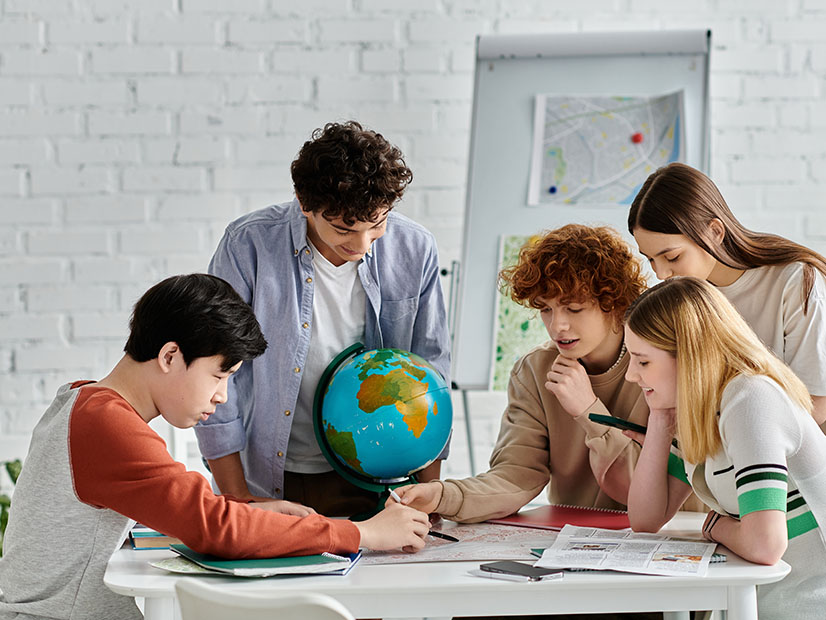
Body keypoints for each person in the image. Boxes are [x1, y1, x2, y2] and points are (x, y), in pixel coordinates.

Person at [0, 274, 430, 620]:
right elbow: (214, 527)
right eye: (219, 375)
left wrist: (250, 512)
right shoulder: (105, 424)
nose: (222, 396)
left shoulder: (82, 400)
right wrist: (364, 533)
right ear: (170, 356)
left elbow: (189, 511)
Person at [195, 120, 451, 517]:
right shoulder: (249, 245)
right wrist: (236, 497)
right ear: (304, 202)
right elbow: (216, 366)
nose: (362, 244)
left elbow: (430, 368)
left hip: (379, 473)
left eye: (377, 225)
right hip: (268, 474)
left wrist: (428, 492)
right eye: (344, 228)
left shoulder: (415, 248)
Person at [393, 225, 703, 523]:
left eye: (573, 309)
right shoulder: (534, 371)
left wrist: (588, 412)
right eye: (545, 309)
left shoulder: (668, 365)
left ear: (615, 303)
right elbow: (515, 477)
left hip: (673, 540)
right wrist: (443, 495)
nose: (557, 326)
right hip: (580, 546)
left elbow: (647, 495)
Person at [624, 277, 826, 620]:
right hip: (757, 598)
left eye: (643, 361)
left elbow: (765, 545)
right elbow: (645, 518)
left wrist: (713, 525)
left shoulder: (750, 399)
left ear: (689, 355)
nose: (631, 375)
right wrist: (660, 419)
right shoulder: (703, 407)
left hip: (806, 602)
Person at [628, 162, 826, 426]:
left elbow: (817, 402)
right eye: (651, 259)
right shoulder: (684, 299)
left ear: (715, 232)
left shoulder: (792, 281)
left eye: (671, 256)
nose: (661, 274)